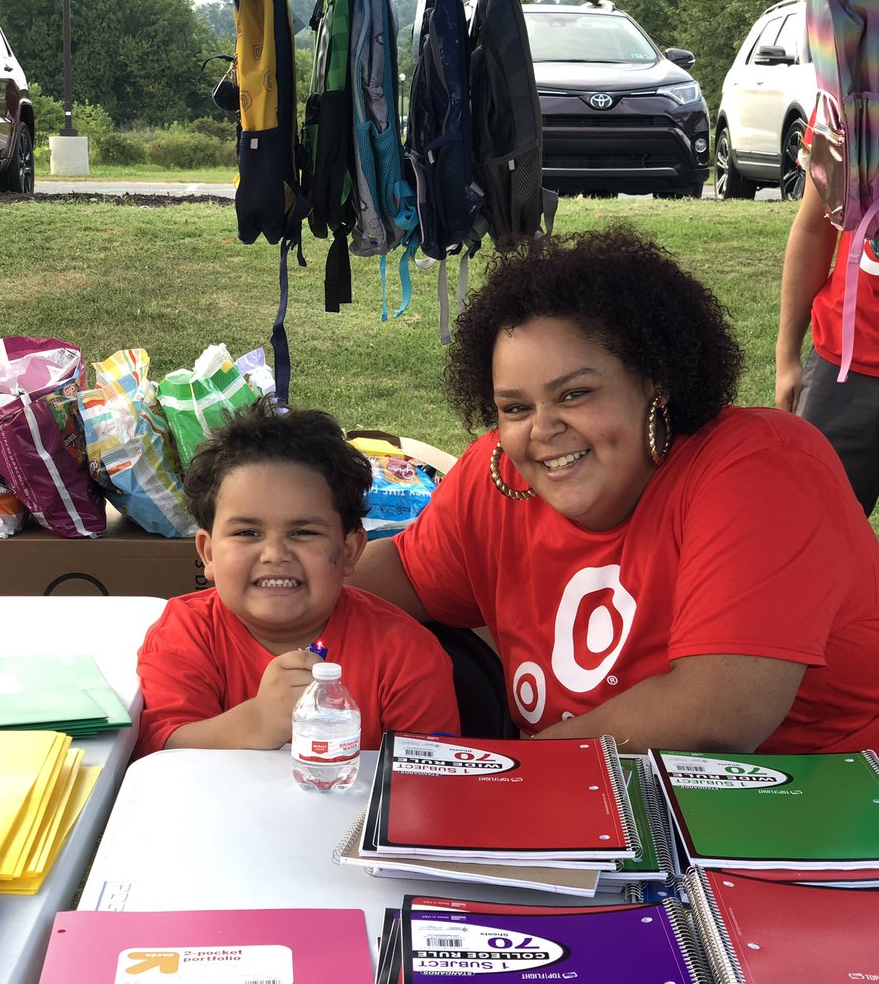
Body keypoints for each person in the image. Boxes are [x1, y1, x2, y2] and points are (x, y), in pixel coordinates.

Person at [350, 225, 879, 755]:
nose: (541, 429)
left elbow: (718, 713)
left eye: (574, 394)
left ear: (656, 381)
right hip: (597, 807)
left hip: (813, 808)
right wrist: (279, 581)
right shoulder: (497, 475)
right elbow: (393, 577)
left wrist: (514, 778)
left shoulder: (763, 469)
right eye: (515, 407)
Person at [135, 400, 460, 756]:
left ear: (350, 550)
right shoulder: (183, 634)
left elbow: (429, 783)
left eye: (303, 532)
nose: (274, 554)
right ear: (208, 553)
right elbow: (159, 758)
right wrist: (258, 723)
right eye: (246, 532)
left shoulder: (408, 655)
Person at [775, 165, 879, 517]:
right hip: (843, 366)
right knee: (808, 526)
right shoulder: (850, 109)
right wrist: (787, 352)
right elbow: (815, 228)